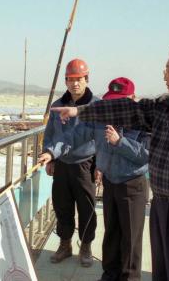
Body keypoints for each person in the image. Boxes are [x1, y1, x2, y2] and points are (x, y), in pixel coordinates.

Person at [51, 44, 169, 281]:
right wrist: (81, 112)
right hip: (161, 204)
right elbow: (126, 109)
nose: (164, 75)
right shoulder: (167, 105)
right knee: (163, 271)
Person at [65, 77, 149, 281]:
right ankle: (109, 274)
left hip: (132, 185)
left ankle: (129, 278)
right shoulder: (103, 119)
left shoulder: (144, 121)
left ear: (133, 98)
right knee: (111, 233)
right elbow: (81, 136)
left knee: (131, 238)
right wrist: (53, 150)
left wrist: (120, 142)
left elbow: (146, 154)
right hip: (111, 182)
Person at [37, 58, 99, 267]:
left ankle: (86, 246)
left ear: (86, 79)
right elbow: (51, 133)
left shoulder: (95, 105)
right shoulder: (58, 105)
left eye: (79, 79)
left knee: (87, 208)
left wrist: (99, 165)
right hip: (62, 164)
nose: (75, 83)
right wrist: (49, 156)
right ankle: (65, 245)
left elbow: (99, 137)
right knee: (62, 206)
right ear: (65, 81)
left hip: (85, 164)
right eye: (70, 79)